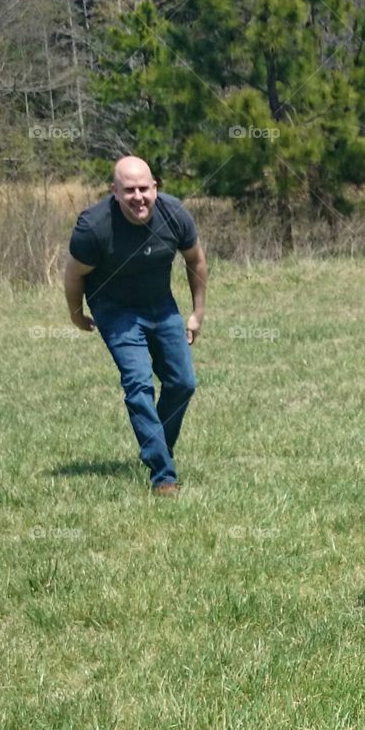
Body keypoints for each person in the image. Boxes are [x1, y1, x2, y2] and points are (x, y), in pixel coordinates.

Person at [64, 156, 207, 497]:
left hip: (160, 304)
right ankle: (163, 476)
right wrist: (75, 313)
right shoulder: (94, 227)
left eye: (144, 188)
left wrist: (197, 313)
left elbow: (195, 260)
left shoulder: (174, 215)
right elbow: (74, 274)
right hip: (115, 311)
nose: (138, 197)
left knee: (183, 382)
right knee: (139, 384)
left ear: (155, 187)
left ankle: (157, 447)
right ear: (114, 191)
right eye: (129, 190)